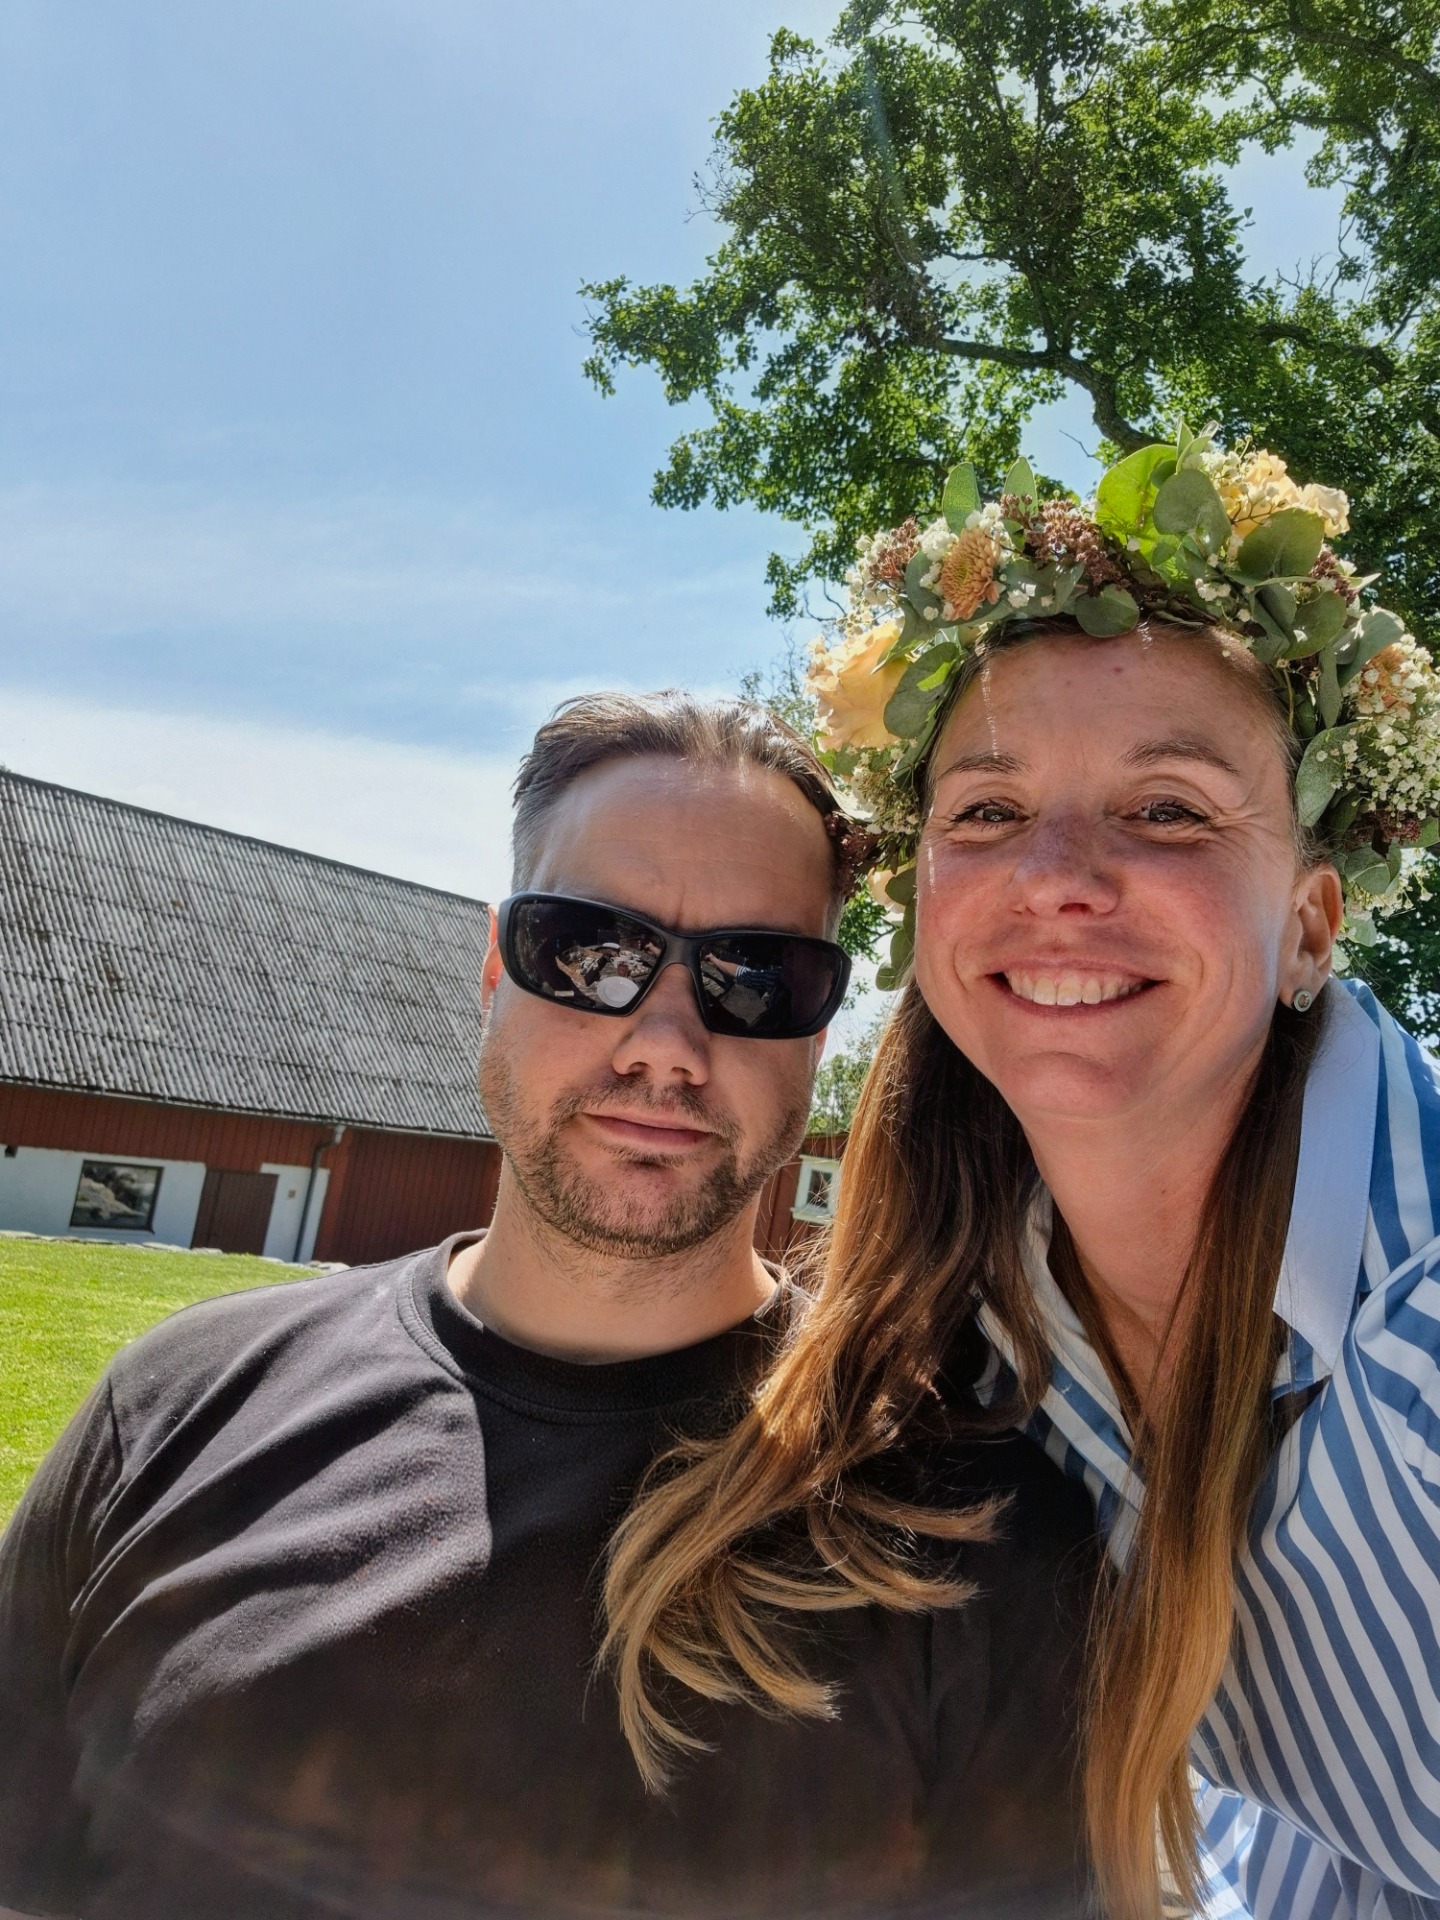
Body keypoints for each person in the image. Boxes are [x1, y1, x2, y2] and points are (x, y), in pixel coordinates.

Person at [0, 692, 1097, 1920]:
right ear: (493, 971)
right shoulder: (168, 1409)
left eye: (757, 976)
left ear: (820, 1029)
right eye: (589, 952)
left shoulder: (976, 1536)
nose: (665, 1043)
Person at [603, 438, 1440, 1920]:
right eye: (986, 813)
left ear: (1312, 928)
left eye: (1168, 808)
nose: (1057, 874)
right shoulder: (968, 1310)